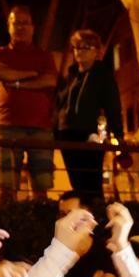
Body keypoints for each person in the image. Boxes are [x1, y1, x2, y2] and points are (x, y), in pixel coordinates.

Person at [0, 5, 56, 203]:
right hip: (9, 126)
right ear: (8, 26)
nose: (21, 27)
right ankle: (5, 227)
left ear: (33, 28)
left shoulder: (44, 56)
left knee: (41, 187)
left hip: (41, 127)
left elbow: (50, 81)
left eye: (25, 23)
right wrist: (32, 75)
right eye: (16, 22)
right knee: (6, 186)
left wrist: (15, 82)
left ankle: (39, 227)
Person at [55, 29, 122, 204]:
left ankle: (95, 219)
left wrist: (119, 135)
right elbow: (60, 103)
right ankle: (80, 217)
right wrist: (55, 130)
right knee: (76, 182)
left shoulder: (103, 75)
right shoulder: (71, 75)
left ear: (96, 51)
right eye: (77, 47)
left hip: (89, 134)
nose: (80, 51)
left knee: (92, 183)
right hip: (66, 133)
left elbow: (113, 106)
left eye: (86, 47)